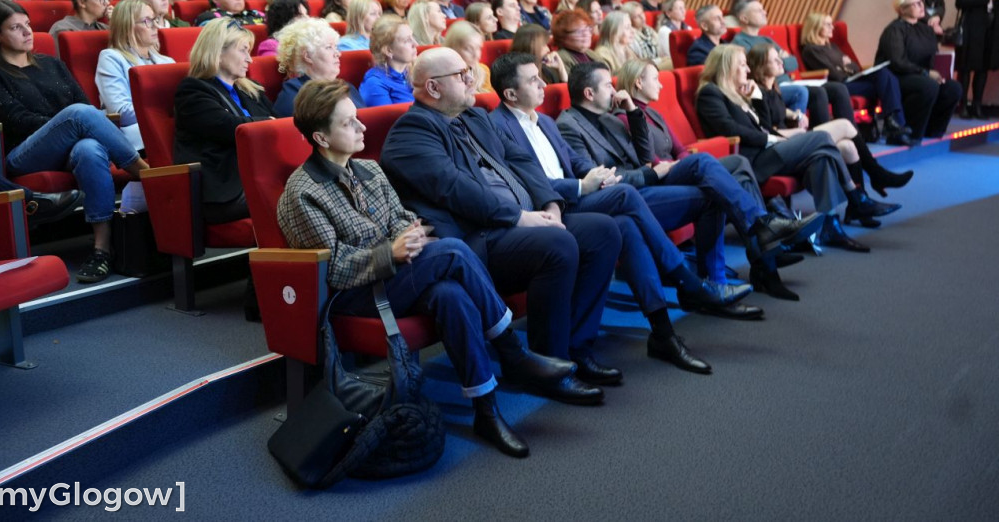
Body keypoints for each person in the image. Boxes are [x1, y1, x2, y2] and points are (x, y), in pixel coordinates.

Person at [280, 79, 583, 456]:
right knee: (452, 252)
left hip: (396, 279)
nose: (362, 128)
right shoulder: (302, 192)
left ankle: (485, 410)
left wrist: (407, 237)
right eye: (348, 124)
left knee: (450, 295)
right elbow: (332, 271)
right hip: (352, 296)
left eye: (358, 120)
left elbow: (404, 219)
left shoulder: (370, 172)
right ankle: (511, 352)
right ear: (320, 138)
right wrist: (391, 251)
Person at [490, 53, 768, 367]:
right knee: (626, 196)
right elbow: (528, 180)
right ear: (511, 93)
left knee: (626, 224)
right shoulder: (499, 126)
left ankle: (660, 333)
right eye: (533, 80)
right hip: (555, 205)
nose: (544, 83)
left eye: (541, 76)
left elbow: (578, 162)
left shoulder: (547, 122)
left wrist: (599, 175)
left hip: (596, 192)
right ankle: (687, 281)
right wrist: (584, 185)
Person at [380, 47, 622, 398]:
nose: (471, 80)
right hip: (479, 239)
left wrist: (550, 204)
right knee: (557, 245)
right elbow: (454, 189)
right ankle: (544, 365)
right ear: (433, 88)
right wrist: (521, 217)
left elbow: (521, 159)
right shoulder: (411, 132)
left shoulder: (476, 116)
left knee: (603, 231)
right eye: (462, 75)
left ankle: (577, 349)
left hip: (519, 223)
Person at [558, 58, 820, 295]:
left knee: (721, 172)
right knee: (707, 170)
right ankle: (759, 234)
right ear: (589, 93)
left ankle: (726, 272)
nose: (615, 91)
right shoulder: (569, 125)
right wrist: (649, 172)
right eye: (608, 86)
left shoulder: (614, 118)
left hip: (651, 178)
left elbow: (642, 155)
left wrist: (634, 113)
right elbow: (600, 178)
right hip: (627, 195)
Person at [0, 0, 149, 281]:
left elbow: (82, 105)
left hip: (70, 145)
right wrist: (64, 125)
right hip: (24, 152)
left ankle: (101, 250)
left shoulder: (52, 64)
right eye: (15, 28)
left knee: (90, 149)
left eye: (28, 25)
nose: (27, 32)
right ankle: (146, 173)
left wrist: (69, 127)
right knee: (79, 115)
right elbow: (14, 118)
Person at [696, 44, 886, 252]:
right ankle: (855, 195)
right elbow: (729, 129)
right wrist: (772, 140)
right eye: (742, 65)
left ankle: (830, 225)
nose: (748, 70)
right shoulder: (711, 93)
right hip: (754, 160)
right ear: (727, 67)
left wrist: (757, 99)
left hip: (769, 151)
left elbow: (763, 125)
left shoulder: (738, 92)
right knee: (822, 137)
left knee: (820, 157)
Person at [747, 44, 911, 218]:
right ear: (760, 67)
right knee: (845, 126)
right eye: (774, 60)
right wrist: (797, 133)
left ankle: (858, 205)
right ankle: (876, 174)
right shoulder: (756, 94)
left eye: (779, 57)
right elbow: (765, 130)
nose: (782, 62)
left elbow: (777, 112)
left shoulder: (773, 88)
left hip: (793, 141)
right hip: (784, 147)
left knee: (847, 146)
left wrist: (795, 115)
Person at [173, 18, 275, 223]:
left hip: (260, 175)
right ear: (218, 52)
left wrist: (270, 123)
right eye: (243, 50)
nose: (250, 59)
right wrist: (268, 122)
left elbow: (278, 125)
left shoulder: (250, 88)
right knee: (301, 193)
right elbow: (231, 129)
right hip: (227, 189)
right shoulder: (193, 91)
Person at [800, 12, 912, 145]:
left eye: (832, 24)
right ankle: (895, 123)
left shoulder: (833, 47)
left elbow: (855, 67)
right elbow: (834, 74)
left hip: (850, 80)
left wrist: (844, 67)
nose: (832, 28)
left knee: (885, 74)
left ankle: (893, 122)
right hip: (838, 87)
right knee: (885, 82)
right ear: (815, 27)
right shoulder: (811, 50)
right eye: (828, 24)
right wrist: (844, 66)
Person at [875, 0, 963, 140]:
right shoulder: (894, 30)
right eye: (915, 4)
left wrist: (939, 73)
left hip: (921, 74)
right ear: (902, 9)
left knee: (953, 88)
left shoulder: (926, 30)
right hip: (897, 77)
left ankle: (933, 132)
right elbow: (897, 62)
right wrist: (926, 73)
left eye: (921, 2)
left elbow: (932, 57)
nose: (922, 6)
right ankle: (913, 132)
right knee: (928, 85)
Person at [96, 0, 176, 151]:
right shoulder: (111, 58)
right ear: (127, 27)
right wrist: (164, 111)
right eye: (147, 21)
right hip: (137, 137)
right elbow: (119, 111)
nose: (156, 26)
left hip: (172, 130)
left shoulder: (167, 61)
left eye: (155, 19)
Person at [730, 0, 812, 119]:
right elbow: (758, 69)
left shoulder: (767, 39)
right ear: (744, 18)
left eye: (763, 9)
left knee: (833, 89)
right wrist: (782, 59)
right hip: (769, 88)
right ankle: (794, 128)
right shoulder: (739, 42)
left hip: (786, 83)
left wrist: (775, 62)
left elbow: (794, 63)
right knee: (801, 92)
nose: (765, 12)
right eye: (759, 10)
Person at [273, 18, 364, 116]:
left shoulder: (346, 86)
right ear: (308, 56)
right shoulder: (294, 96)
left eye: (336, 47)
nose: (338, 54)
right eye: (329, 47)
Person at [954, 0, 999, 119]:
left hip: (992, 26)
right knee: (966, 66)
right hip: (973, 25)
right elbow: (960, 2)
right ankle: (963, 103)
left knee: (983, 67)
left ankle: (978, 104)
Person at [359, 15, 418, 106]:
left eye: (412, 37)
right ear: (388, 50)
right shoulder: (375, 84)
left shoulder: (415, 72)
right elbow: (387, 120)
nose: (416, 44)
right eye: (407, 40)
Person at [443, 20, 491, 93]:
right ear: (453, 48)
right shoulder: (441, 76)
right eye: (469, 49)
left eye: (479, 48)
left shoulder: (483, 71)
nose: (476, 55)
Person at [553, 8, 602, 76]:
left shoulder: (590, 53)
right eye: (579, 32)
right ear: (563, 36)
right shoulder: (561, 58)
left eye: (588, 29)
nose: (586, 34)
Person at [624, 1, 666, 66]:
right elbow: (635, 62)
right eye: (637, 16)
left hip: (657, 62)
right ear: (629, 20)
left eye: (642, 13)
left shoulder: (649, 30)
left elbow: (662, 51)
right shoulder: (629, 36)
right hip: (644, 67)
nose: (642, 17)